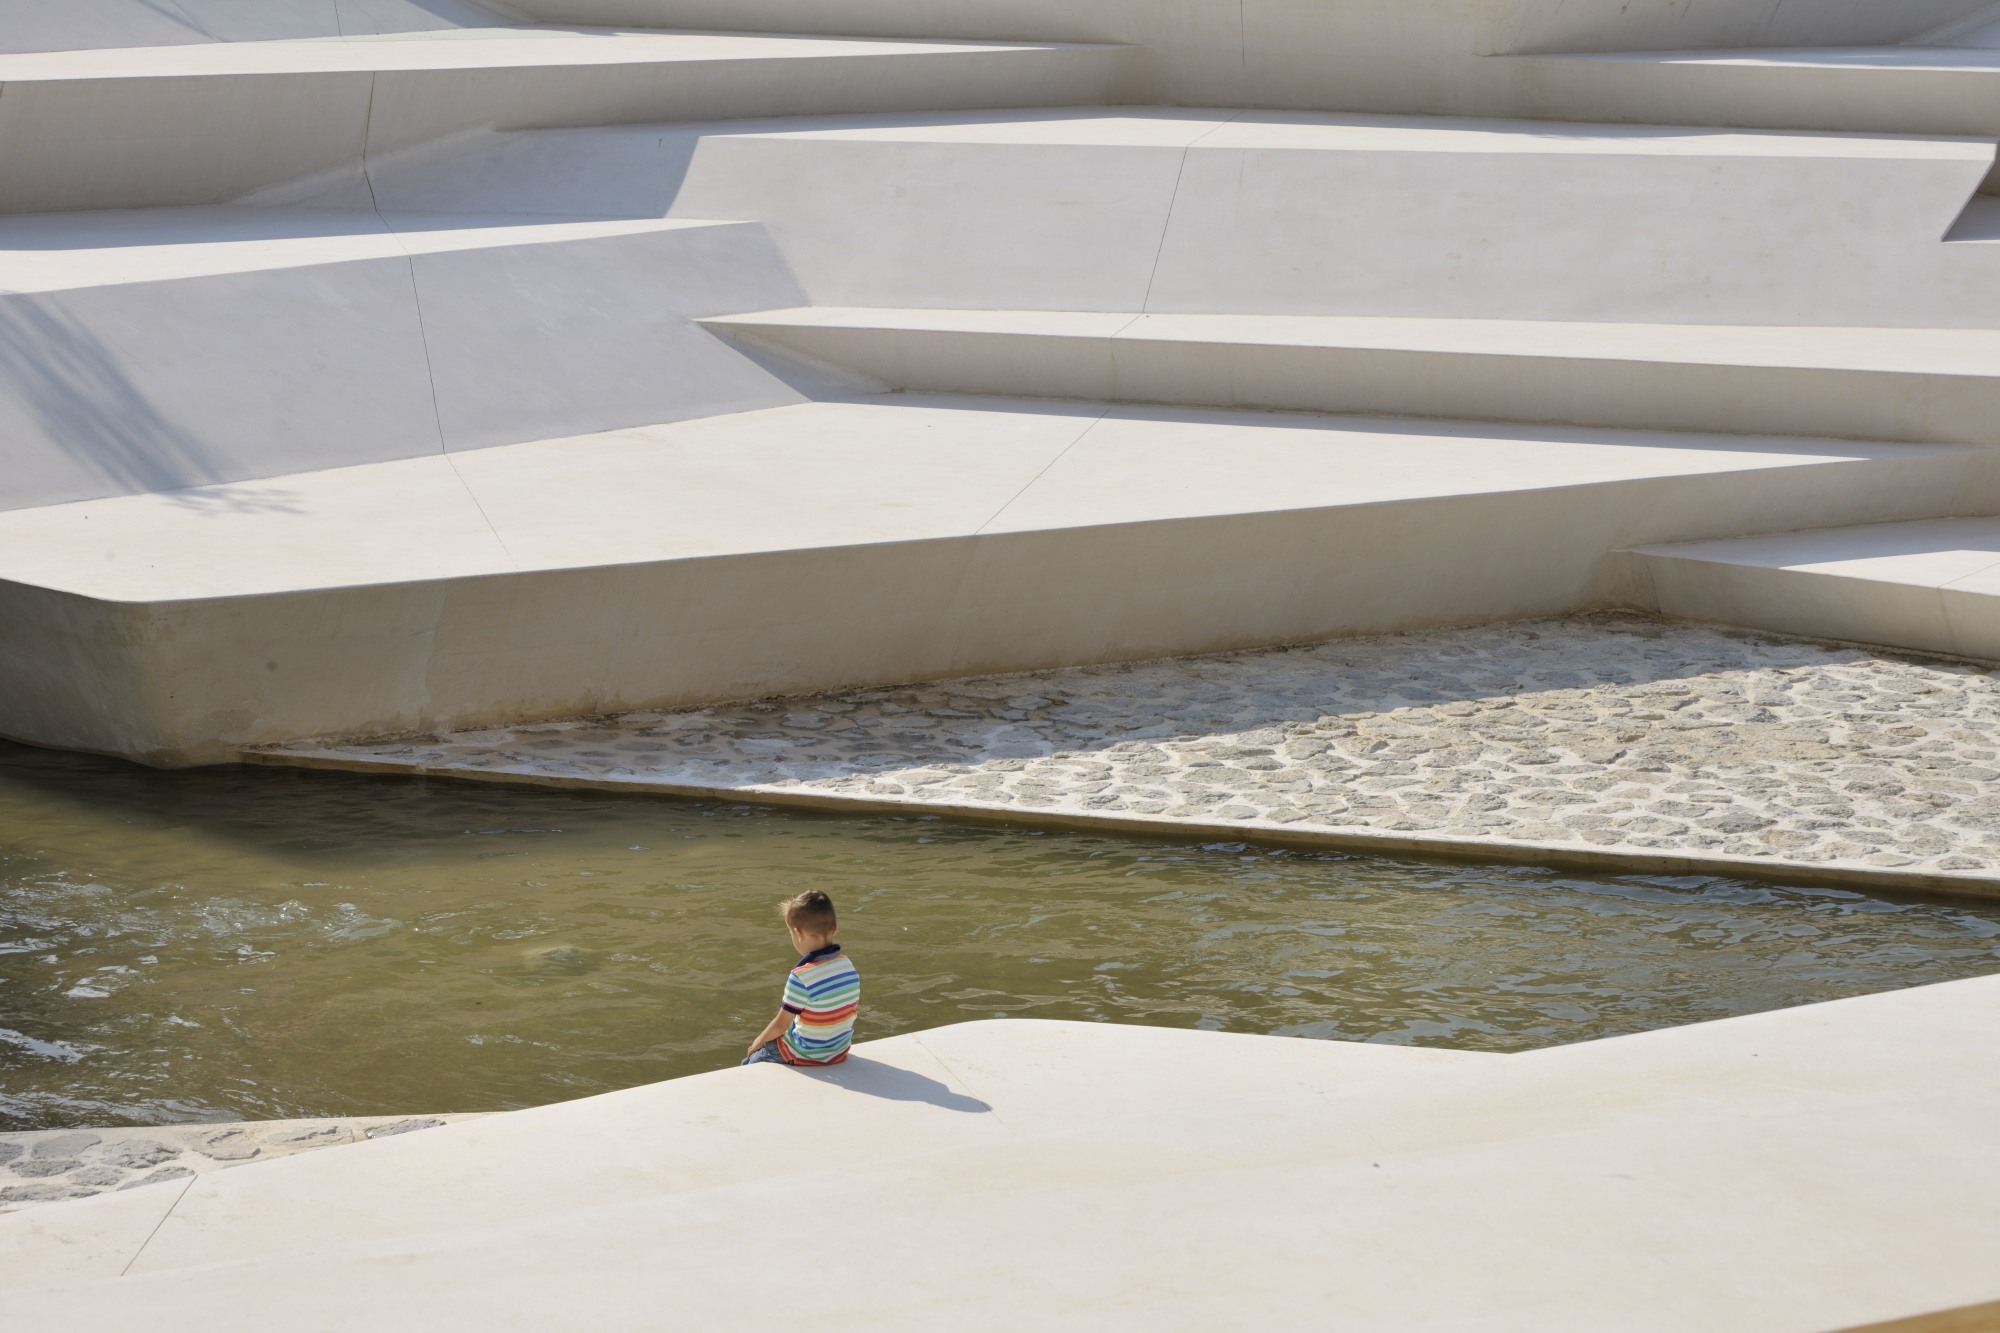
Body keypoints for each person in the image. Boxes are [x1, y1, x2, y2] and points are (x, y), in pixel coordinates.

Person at [741, 890, 861, 1068]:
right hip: (837, 1051)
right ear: (834, 929)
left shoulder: (801, 976)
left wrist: (758, 1042)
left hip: (806, 1054)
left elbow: (781, 1024)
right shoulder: (846, 964)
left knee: (751, 1060)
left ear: (798, 934)